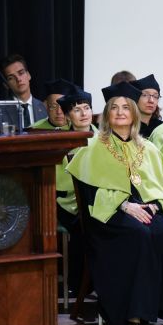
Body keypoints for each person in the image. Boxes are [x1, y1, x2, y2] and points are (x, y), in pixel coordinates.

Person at [66, 82, 163, 325]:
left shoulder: (148, 147)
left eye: (125, 108)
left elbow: (161, 185)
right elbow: (90, 192)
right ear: (107, 114)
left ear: (134, 113)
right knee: (138, 234)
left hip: (145, 208)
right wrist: (123, 205)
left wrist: (153, 205)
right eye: (114, 108)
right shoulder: (93, 147)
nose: (120, 112)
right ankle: (132, 313)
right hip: (108, 215)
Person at [54, 86, 97, 295]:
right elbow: (60, 181)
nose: (83, 113)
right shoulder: (59, 140)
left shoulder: (105, 137)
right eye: (77, 110)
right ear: (69, 116)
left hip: (100, 198)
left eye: (87, 108)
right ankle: (79, 283)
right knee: (83, 223)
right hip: (68, 201)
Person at [0, 53, 48, 128]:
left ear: (28, 75)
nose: (18, 79)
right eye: (11, 78)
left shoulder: (45, 107)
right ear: (6, 85)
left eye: (21, 73)